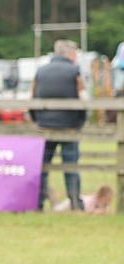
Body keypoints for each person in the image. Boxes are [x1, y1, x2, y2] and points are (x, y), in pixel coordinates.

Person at [29, 39, 87, 211]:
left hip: (44, 127)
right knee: (71, 167)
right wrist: (81, 122)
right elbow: (83, 99)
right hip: (69, 127)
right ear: (69, 54)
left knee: (42, 167)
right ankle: (75, 204)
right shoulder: (75, 71)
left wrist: (37, 120)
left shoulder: (40, 71)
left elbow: (31, 98)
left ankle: (38, 203)